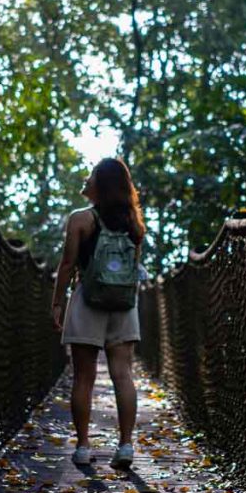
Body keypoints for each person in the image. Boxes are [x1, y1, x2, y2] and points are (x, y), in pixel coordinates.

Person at [51, 157, 146, 469]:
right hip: (123, 304)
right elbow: (133, 267)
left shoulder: (80, 219)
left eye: (91, 175)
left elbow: (67, 264)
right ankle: (126, 445)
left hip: (88, 301)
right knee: (123, 374)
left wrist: (57, 302)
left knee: (84, 377)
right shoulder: (134, 222)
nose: (86, 179)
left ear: (100, 184)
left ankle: (82, 447)